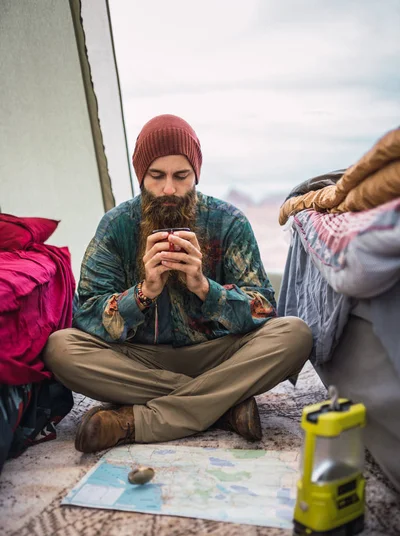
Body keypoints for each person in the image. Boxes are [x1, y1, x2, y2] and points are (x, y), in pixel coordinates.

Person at [44, 114, 313, 453]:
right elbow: (85, 314)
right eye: (157, 176)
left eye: (181, 176)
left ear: (196, 175)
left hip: (217, 354)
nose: (169, 188)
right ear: (141, 175)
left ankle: (132, 422)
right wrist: (142, 294)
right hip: (139, 360)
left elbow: (263, 308)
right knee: (60, 348)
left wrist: (204, 287)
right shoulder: (116, 226)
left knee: (295, 334)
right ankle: (223, 405)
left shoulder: (228, 221)